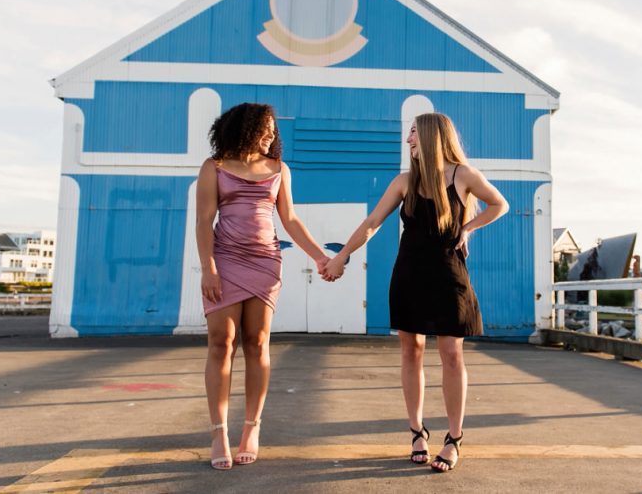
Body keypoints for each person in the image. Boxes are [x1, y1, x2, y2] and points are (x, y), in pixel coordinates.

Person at [322, 112, 508, 473]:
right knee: (412, 350)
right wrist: (341, 256)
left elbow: (500, 205)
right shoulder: (405, 181)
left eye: (412, 134)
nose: (408, 141)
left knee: (452, 353)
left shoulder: (463, 175)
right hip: (409, 274)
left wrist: (468, 227)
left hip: (449, 273)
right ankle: (417, 431)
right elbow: (372, 223)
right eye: (408, 135)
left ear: (430, 137)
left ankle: (454, 438)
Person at [196, 102, 330, 470]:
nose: (271, 134)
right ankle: (218, 431)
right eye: (265, 127)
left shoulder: (278, 169)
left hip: (265, 263)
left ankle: (252, 428)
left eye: (274, 129)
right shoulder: (215, 167)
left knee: (257, 342)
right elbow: (204, 221)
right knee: (221, 343)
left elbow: (290, 219)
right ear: (245, 126)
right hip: (224, 261)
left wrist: (321, 256)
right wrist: (208, 268)